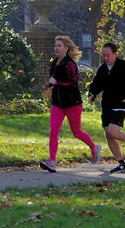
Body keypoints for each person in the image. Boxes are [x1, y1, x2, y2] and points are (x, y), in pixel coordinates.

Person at [39, 36, 99, 173]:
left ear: (66, 48)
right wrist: (48, 85)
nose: (56, 48)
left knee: (76, 132)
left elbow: (73, 84)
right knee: (53, 131)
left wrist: (56, 83)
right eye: (55, 46)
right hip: (57, 103)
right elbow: (55, 80)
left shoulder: (70, 64)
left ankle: (94, 147)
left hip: (72, 103)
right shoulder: (54, 63)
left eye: (59, 46)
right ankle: (52, 161)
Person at [87, 42, 125, 173]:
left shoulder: (124, 66)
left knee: (113, 131)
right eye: (103, 55)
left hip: (121, 104)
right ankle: (121, 163)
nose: (105, 58)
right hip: (107, 104)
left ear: (115, 54)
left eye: (108, 55)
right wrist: (92, 94)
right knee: (108, 134)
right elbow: (96, 84)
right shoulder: (103, 69)